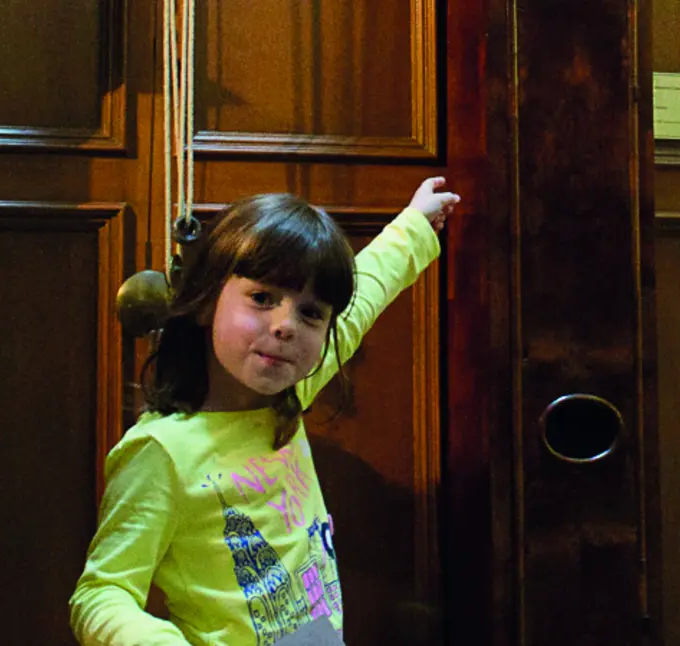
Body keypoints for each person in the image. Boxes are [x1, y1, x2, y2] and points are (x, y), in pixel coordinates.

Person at [69, 177, 460, 645]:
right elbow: (101, 593)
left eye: (310, 313)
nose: (286, 327)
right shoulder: (160, 452)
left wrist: (414, 226)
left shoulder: (288, 397)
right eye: (262, 298)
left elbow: (364, 296)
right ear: (205, 303)